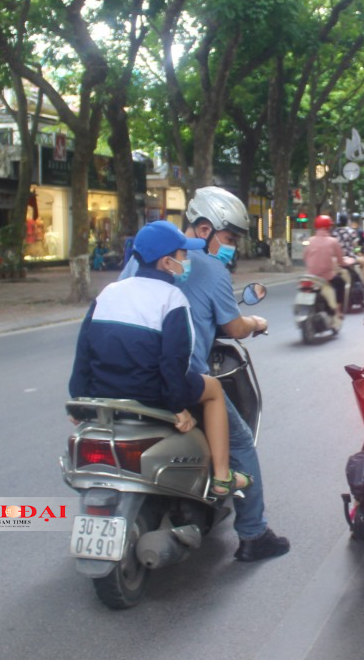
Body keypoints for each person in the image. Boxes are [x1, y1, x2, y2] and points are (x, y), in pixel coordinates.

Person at [119, 188, 289, 562]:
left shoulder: (138, 263)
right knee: (240, 440)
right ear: (204, 228)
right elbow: (233, 327)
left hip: (120, 377)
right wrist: (257, 322)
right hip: (178, 378)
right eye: (229, 239)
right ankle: (253, 533)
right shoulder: (210, 268)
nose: (231, 249)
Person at [70, 221, 249, 500]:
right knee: (213, 390)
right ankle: (222, 478)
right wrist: (178, 407)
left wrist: (78, 398)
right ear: (167, 262)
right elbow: (174, 362)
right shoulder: (172, 298)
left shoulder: (109, 292)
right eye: (183, 255)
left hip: (100, 393)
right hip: (149, 392)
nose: (187, 260)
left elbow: (84, 351)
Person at [304, 214, 346, 314]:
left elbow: (305, 257)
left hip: (310, 277)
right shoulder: (333, 241)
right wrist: (346, 263)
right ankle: (338, 311)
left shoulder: (310, 240)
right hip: (327, 277)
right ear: (328, 227)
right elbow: (341, 261)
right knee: (341, 283)